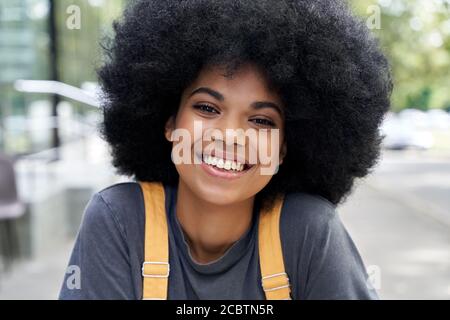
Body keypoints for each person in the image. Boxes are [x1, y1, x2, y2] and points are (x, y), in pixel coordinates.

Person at [59, 0, 392, 300]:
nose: (231, 136)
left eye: (261, 120)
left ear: (282, 149)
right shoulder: (119, 220)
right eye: (207, 108)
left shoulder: (309, 231)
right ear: (170, 122)